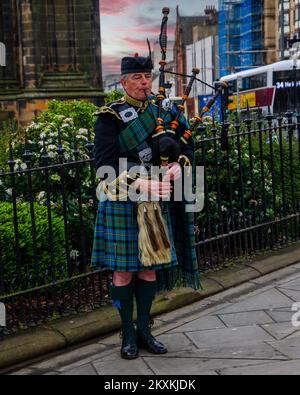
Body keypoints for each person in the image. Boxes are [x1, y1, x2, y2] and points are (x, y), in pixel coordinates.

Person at [92, 54, 200, 360]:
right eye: (137, 78)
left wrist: (180, 164)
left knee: (149, 270)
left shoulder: (163, 112)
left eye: (146, 77)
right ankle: (127, 334)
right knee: (124, 272)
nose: (144, 83)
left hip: (153, 205)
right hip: (122, 203)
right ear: (124, 81)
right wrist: (141, 183)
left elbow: (185, 147)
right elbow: (103, 169)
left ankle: (145, 331)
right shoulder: (109, 118)